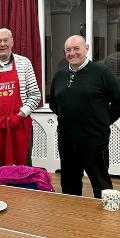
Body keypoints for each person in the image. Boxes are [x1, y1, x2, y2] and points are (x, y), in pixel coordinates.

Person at [49, 35, 120, 198]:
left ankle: (104, 221)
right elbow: (54, 104)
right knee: (69, 183)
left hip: (94, 139)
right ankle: (73, 219)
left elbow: (118, 101)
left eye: (76, 49)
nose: (72, 53)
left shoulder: (101, 72)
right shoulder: (59, 75)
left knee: (100, 184)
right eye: (68, 50)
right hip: (67, 140)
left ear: (86, 49)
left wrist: (103, 122)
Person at [0, 28, 41, 170]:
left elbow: (35, 95)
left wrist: (20, 115)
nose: (2, 44)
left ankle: (24, 192)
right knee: (1, 168)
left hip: (20, 125)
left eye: (5, 40)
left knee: (23, 167)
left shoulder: (24, 63)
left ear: (12, 42)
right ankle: (3, 192)